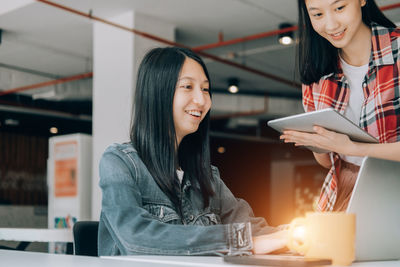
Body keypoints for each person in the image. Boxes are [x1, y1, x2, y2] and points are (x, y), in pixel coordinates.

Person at [98, 47, 287, 256]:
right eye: (188, 87)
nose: (201, 100)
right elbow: (134, 238)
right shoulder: (120, 162)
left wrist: (294, 234)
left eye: (205, 89)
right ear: (157, 92)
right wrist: (240, 241)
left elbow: (252, 229)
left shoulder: (207, 176)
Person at [281, 0, 400, 211]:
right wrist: (318, 143)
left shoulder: (397, 51)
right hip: (341, 196)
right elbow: (329, 163)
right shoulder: (317, 74)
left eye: (339, 8)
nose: (331, 25)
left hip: (392, 192)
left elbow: (348, 150)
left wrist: (353, 148)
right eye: (317, 15)